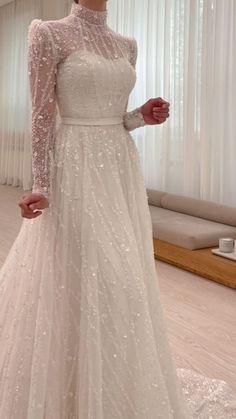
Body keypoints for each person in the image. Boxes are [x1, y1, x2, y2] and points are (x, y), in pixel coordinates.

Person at [0, 0, 236, 418]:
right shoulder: (47, 32)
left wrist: (140, 116)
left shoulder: (127, 44)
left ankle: (114, 379)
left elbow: (114, 119)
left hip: (119, 167)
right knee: (80, 270)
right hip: (72, 167)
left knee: (124, 275)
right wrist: (41, 184)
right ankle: (67, 384)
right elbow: (41, 113)